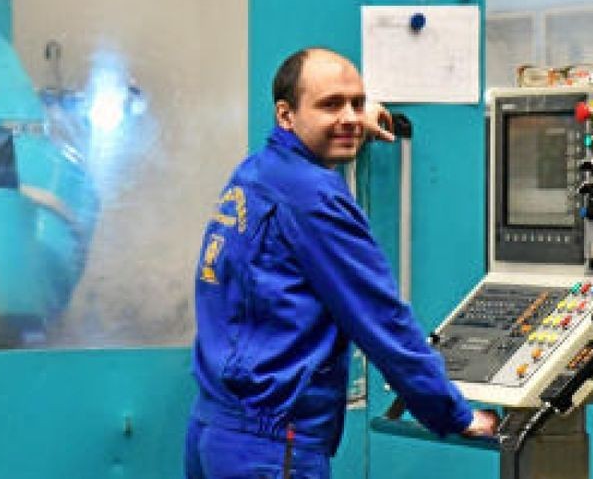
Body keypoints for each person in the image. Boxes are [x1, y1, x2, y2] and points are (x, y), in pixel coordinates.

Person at [185, 47, 498, 479]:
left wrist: (343, 125)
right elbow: (380, 318)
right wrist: (452, 413)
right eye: (330, 105)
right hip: (274, 447)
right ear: (286, 115)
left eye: (356, 102)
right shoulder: (314, 197)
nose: (350, 116)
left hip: (216, 431)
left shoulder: (257, 173)